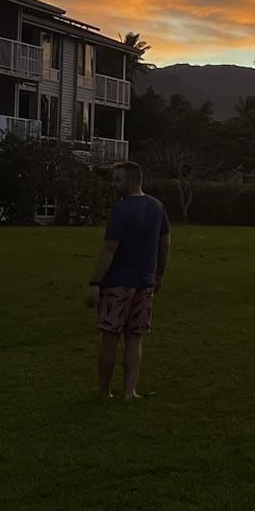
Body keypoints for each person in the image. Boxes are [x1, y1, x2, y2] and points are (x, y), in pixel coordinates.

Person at [86, 159, 171, 400]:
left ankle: (105, 391)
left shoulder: (121, 209)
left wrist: (95, 282)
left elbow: (109, 248)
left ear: (132, 180)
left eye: (117, 180)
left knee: (109, 339)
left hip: (117, 284)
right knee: (135, 339)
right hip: (145, 284)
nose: (113, 185)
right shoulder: (157, 207)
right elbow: (165, 245)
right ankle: (129, 392)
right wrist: (160, 275)